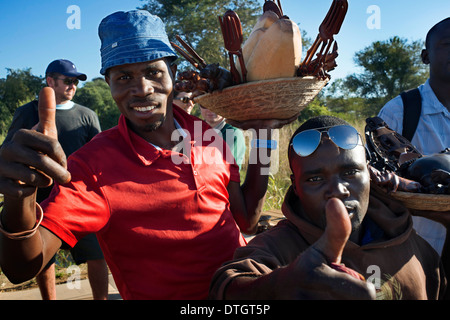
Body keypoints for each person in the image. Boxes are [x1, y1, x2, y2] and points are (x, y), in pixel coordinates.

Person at [0, 10, 294, 300]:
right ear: (109, 84)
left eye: (153, 72)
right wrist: (19, 198)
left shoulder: (206, 134)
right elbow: (21, 268)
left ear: (174, 74)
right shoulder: (93, 168)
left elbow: (247, 220)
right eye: (124, 76)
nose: (141, 89)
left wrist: (265, 135)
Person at [209, 115, 446, 300]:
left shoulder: (413, 247)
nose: (338, 189)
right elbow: (227, 286)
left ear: (370, 175)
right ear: (296, 187)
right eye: (315, 179)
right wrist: (279, 285)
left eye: (350, 172)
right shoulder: (278, 247)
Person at [2, 59, 109, 300]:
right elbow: (9, 150)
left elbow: (100, 155)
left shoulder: (87, 115)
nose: (73, 86)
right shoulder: (27, 112)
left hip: (81, 199)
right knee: (44, 259)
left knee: (97, 254)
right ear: (50, 81)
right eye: (68, 80)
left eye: (76, 82)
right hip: (39, 199)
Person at [378, 17, 450, 255]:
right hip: (417, 251)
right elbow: (379, 186)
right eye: (447, 43)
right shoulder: (399, 112)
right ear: (425, 57)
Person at [200, 105, 246, 170]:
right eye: (204, 105)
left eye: (216, 105)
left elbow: (224, 168)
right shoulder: (195, 131)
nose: (210, 109)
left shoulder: (233, 133)